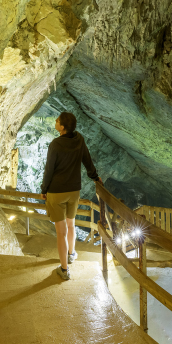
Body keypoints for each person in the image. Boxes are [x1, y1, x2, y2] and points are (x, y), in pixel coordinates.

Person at [40, 111, 101, 281]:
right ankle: (72, 254)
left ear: (63, 127)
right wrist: (95, 177)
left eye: (57, 120)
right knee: (71, 225)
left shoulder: (55, 144)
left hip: (57, 192)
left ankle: (64, 270)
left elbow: (49, 170)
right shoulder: (79, 139)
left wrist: (44, 189)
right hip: (74, 191)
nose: (55, 121)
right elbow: (87, 160)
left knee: (61, 232)